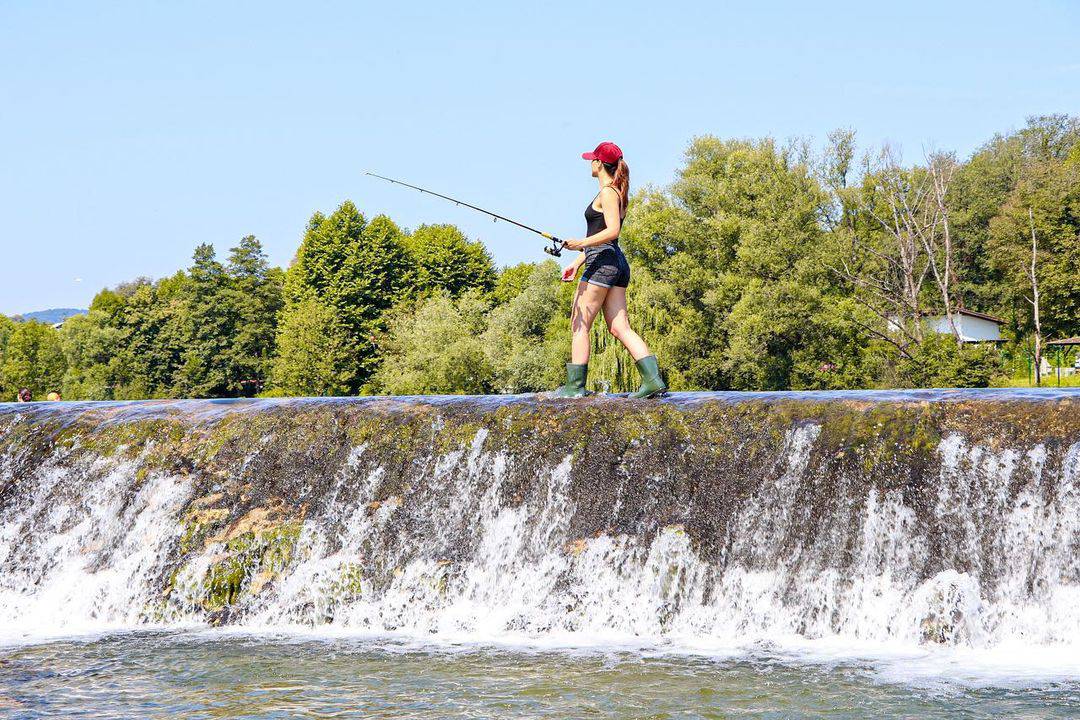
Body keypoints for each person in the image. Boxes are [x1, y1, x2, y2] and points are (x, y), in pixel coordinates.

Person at [552, 141, 666, 399]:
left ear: (599, 164)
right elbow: (604, 236)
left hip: (604, 264)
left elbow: (612, 231)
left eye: (592, 159)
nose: (589, 163)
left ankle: (575, 387)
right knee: (619, 327)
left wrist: (580, 243)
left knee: (579, 324)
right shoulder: (617, 191)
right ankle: (653, 379)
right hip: (613, 263)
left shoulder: (608, 193)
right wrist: (577, 261)